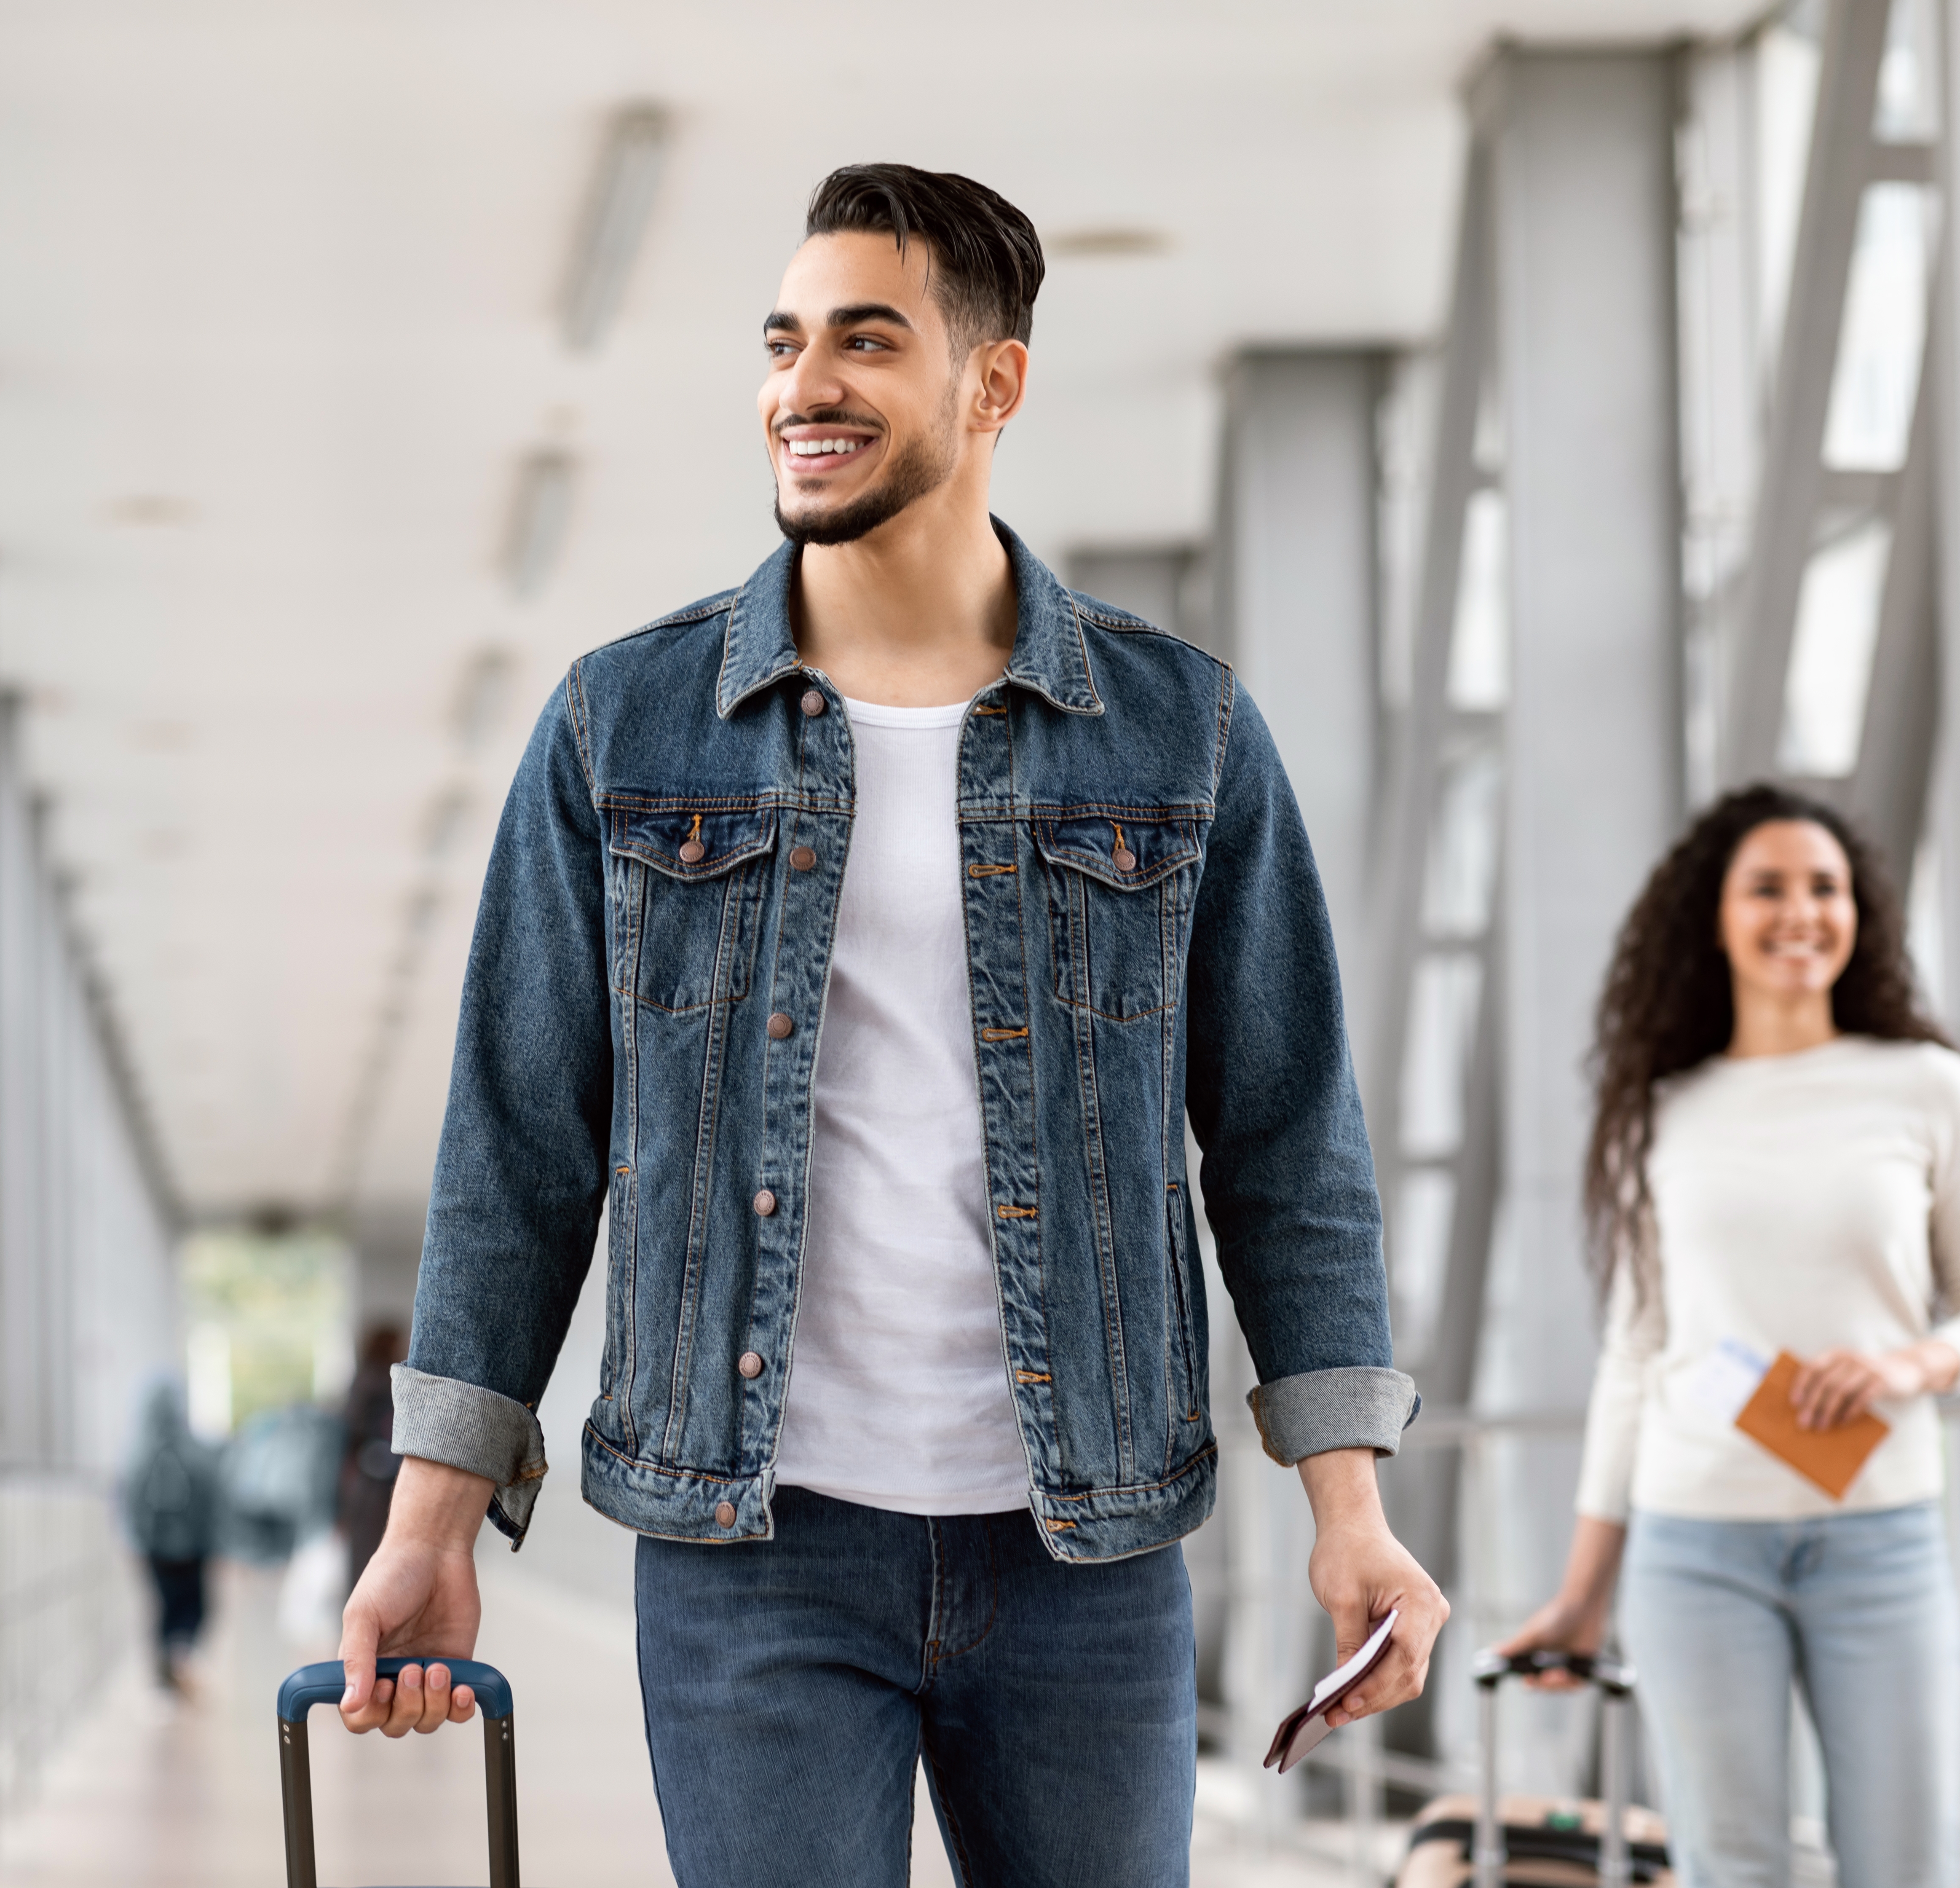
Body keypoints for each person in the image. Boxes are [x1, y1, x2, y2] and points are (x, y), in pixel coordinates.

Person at [337, 163, 1448, 1886]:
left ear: (993, 385)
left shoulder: (1180, 732)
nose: (806, 385)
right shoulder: (625, 726)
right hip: (750, 1540)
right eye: (785, 342)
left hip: (1086, 1543)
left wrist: (1352, 1503)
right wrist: (431, 1513)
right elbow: (519, 1140)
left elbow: (1291, 1133)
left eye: (867, 339)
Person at [1500, 786, 1960, 1888]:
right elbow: (1636, 1357)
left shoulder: (1929, 1087)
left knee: (1905, 1864)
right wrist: (1582, 1594)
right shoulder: (1662, 1109)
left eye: (1826, 888)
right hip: (1694, 1549)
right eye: (1769, 888)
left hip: (1881, 1538)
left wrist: (1911, 1363)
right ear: (1716, 916)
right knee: (1729, 1866)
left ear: (1860, 913)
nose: (1802, 911)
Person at [121, 1376, 220, 1696]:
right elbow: (212, 1497)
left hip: (156, 1550)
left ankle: (164, 1680)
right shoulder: (196, 1450)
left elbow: (129, 1500)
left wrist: (137, 1540)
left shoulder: (139, 1453)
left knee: (163, 1608)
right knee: (193, 1607)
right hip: (194, 1549)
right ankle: (183, 1655)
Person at [339, 1324, 406, 1589]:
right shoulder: (377, 1382)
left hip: (374, 1483)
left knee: (371, 1557)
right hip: (373, 1485)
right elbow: (353, 1431)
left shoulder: (368, 1380)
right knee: (370, 1557)